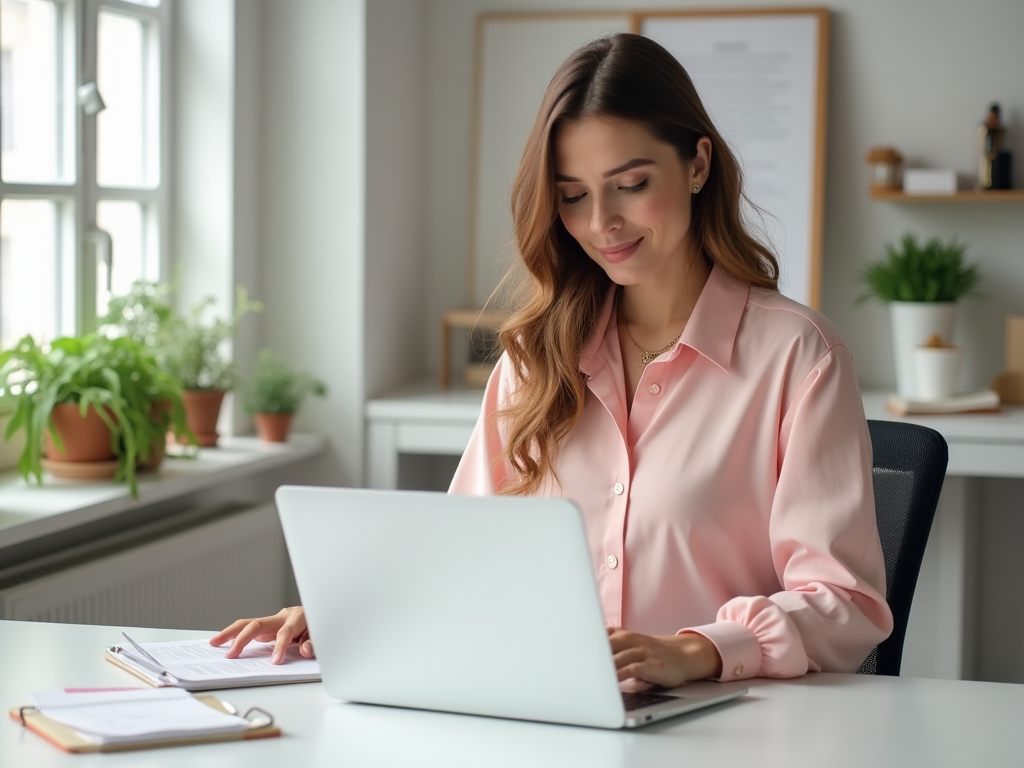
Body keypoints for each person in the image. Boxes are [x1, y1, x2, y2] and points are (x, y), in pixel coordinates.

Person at [212, 33, 893, 687]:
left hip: (725, 725)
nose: (602, 223)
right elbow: (462, 555)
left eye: (630, 183)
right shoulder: (535, 359)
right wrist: (348, 617)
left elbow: (846, 603)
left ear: (698, 164)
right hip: (548, 715)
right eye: (572, 196)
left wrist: (698, 651)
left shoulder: (799, 357)